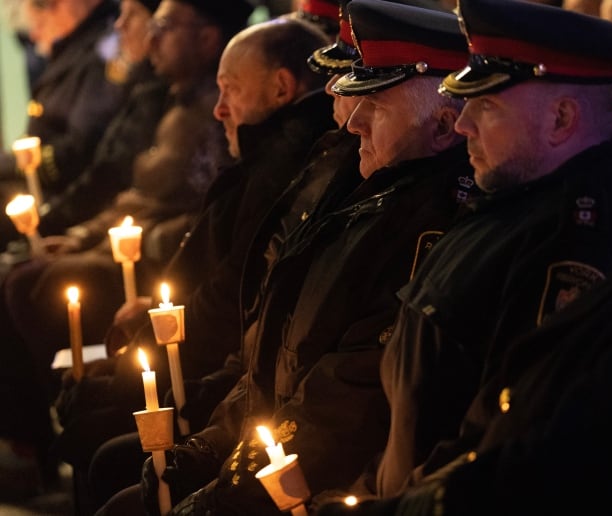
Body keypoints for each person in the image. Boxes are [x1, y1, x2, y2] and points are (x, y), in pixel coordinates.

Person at [122, 1, 476, 514]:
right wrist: (217, 438)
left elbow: (348, 398)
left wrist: (235, 476)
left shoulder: (423, 220)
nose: (349, 118)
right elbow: (277, 339)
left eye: (371, 103)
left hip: (319, 475)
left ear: (443, 127)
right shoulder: (350, 177)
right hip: (273, 435)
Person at [347, 0, 612, 500]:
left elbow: (500, 441)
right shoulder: (511, 202)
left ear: (561, 118)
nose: (462, 123)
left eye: (486, 105)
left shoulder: (572, 239)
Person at [54, 13, 333, 514]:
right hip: (213, 372)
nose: (220, 109)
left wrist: (136, 365)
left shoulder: (282, 165)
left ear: (282, 88)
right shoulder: (268, 152)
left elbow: (230, 298)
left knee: (102, 447)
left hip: (220, 378)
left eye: (231, 91)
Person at [0, 0, 252, 503]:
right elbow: (129, 190)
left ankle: (50, 443)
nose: (150, 39)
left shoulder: (209, 112)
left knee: (39, 283)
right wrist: (83, 233)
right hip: (132, 242)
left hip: (161, 264)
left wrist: (97, 239)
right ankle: (43, 438)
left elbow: (196, 214)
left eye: (165, 26)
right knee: (25, 272)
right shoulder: (164, 95)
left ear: (207, 37)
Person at [0, 0, 125, 250]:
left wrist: (9, 164)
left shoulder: (102, 49)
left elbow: (78, 150)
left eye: (41, 18)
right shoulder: (74, 49)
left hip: (64, 198)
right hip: (40, 189)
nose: (33, 34)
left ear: (67, 5)